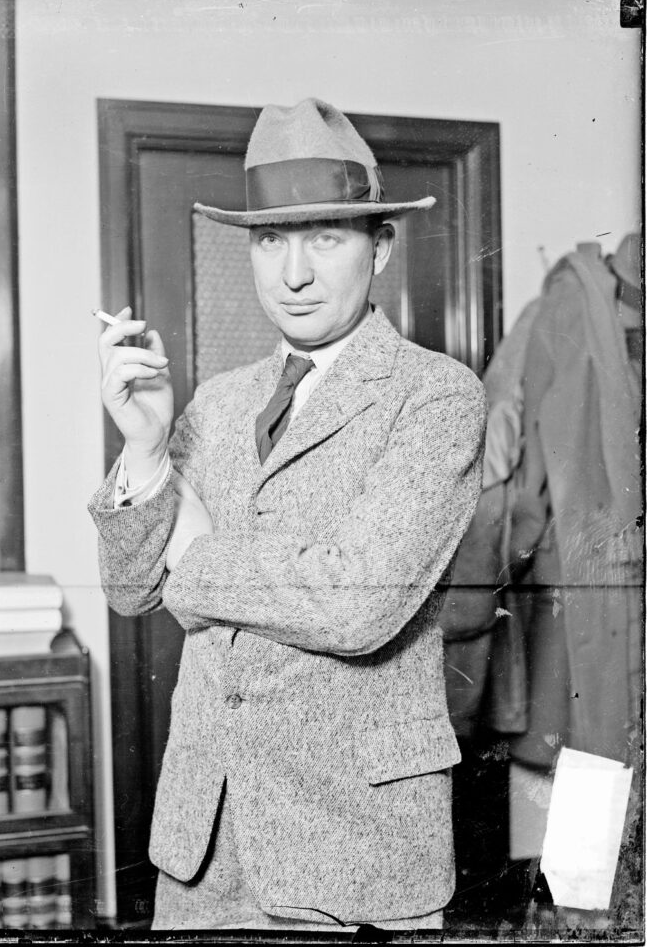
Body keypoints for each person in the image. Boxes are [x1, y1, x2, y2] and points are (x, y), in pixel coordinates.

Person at [89, 98, 487, 931]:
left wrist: (197, 566)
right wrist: (148, 451)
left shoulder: (437, 396)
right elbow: (132, 593)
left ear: (380, 247)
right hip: (204, 852)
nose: (293, 273)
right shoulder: (220, 401)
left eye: (325, 238)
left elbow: (356, 606)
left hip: (357, 853)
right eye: (271, 240)